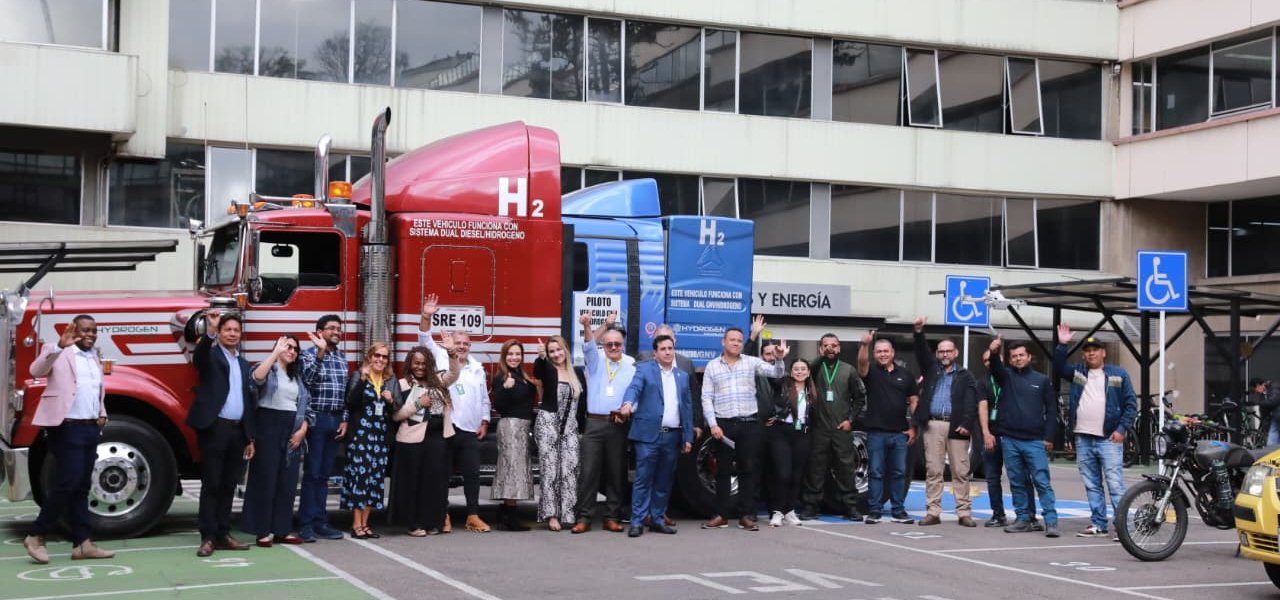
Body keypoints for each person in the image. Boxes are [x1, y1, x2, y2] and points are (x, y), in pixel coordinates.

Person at [23, 315, 113, 564]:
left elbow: (95, 389)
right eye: (85, 330)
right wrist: (60, 346)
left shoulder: (94, 356)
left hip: (89, 427)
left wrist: (101, 413)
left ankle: (83, 543)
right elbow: (35, 370)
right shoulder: (57, 350)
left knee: (82, 485)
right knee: (68, 481)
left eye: (94, 330)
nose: (90, 334)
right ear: (74, 329)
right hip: (66, 426)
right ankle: (36, 534)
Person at [1053, 325, 1137, 538]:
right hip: (1083, 438)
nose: (1091, 353)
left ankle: (1123, 528)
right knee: (1092, 485)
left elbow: (1130, 405)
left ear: (1103, 353)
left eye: (1096, 349)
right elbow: (1058, 367)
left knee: (1115, 484)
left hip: (1109, 438)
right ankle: (1098, 523)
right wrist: (1062, 344)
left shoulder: (1119, 374)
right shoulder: (1078, 373)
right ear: (1084, 354)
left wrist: (1121, 429)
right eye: (1088, 350)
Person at [701, 327, 788, 531]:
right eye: (732, 340)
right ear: (723, 342)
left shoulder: (751, 362)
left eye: (740, 340)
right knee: (722, 471)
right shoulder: (712, 366)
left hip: (749, 423)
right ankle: (721, 515)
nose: (736, 343)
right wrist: (713, 424)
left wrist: (780, 358)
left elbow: (776, 372)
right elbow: (706, 397)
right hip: (723, 425)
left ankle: (746, 516)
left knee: (748, 471)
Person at [188, 311, 257, 557]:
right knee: (212, 484)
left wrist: (250, 438)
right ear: (221, 332)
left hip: (237, 432)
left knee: (228, 485)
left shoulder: (244, 363)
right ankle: (207, 537)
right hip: (215, 428)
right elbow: (198, 359)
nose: (232, 334)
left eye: (236, 330)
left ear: (240, 335)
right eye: (227, 329)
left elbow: (249, 402)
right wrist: (210, 331)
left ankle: (223, 534)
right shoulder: (211, 355)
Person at [419, 295, 491, 533]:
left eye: (465, 344)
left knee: (472, 474)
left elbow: (483, 398)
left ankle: (473, 515)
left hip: (470, 429)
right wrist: (427, 316)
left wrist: (485, 419)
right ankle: (443, 514)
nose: (461, 346)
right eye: (458, 342)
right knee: (443, 475)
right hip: (447, 427)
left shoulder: (477, 367)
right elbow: (423, 338)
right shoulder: (440, 355)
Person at [621, 334, 694, 537]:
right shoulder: (644, 369)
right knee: (643, 479)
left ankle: (657, 519)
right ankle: (637, 521)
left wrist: (688, 436)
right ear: (655, 353)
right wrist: (627, 404)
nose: (668, 352)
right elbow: (634, 388)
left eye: (670, 348)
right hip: (647, 436)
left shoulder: (682, 376)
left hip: (672, 436)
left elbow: (687, 408)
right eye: (663, 349)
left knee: (664, 481)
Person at [241, 336, 310, 547]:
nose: (291, 351)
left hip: (292, 427)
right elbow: (255, 380)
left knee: (287, 481)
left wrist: (303, 429)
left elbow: (305, 404)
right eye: (287, 347)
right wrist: (274, 354)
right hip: (268, 424)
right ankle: (262, 531)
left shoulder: (296, 376)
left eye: (295, 349)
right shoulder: (268, 369)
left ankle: (282, 530)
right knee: (265, 479)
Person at [988, 337, 1059, 538]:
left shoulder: (1042, 380)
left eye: (1021, 355)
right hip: (1010, 439)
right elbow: (994, 368)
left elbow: (1052, 411)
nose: (1018, 359)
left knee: (1042, 481)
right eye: (1014, 357)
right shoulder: (1006, 376)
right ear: (1009, 360)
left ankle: (1051, 521)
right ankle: (1022, 519)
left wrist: (1049, 436)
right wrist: (994, 352)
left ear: (1029, 357)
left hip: (1035, 440)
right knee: (1016, 481)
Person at [911, 318, 979, 527]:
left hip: (957, 425)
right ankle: (933, 512)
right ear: (937, 354)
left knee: (960, 470)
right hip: (933, 425)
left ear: (956, 353)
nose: (944, 355)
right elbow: (921, 352)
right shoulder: (931, 370)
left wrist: (967, 423)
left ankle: (964, 512)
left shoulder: (965, 375)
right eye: (941, 351)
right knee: (934, 470)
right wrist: (919, 332)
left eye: (948, 351)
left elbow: (971, 401)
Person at [572, 311, 635, 534]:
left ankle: (612, 516)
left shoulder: (631, 364)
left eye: (617, 344)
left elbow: (635, 393)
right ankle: (584, 517)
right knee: (588, 472)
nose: (614, 348)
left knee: (616, 472)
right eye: (609, 344)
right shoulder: (596, 359)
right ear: (604, 345)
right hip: (594, 424)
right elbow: (589, 343)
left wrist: (629, 410)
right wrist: (588, 325)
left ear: (623, 344)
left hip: (618, 423)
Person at [390, 344, 462, 536]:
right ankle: (414, 524)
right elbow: (396, 416)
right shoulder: (402, 384)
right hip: (412, 438)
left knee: (434, 481)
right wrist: (417, 404)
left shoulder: (438, 380)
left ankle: (432, 522)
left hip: (438, 437)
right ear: (410, 364)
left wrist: (452, 353)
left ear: (430, 364)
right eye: (416, 363)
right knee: (414, 482)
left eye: (423, 363)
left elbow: (454, 374)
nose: (420, 367)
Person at [798, 333, 866, 522]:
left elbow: (860, 398)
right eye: (826, 346)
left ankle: (851, 507)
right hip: (819, 428)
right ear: (820, 349)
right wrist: (821, 355)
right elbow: (807, 369)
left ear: (840, 348)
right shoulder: (814, 368)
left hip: (841, 428)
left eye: (834, 346)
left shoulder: (848, 370)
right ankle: (811, 506)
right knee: (816, 469)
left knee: (845, 468)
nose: (830, 349)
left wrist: (850, 420)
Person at [856, 332, 918, 525]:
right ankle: (875, 510)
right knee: (876, 473)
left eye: (886, 351)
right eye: (879, 351)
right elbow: (861, 364)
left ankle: (898, 510)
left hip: (900, 433)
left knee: (899, 473)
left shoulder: (906, 376)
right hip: (876, 433)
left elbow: (914, 401)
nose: (882, 354)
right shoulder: (871, 373)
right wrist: (864, 345)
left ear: (893, 353)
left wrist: (914, 427)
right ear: (874, 354)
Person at [341, 342, 401, 539]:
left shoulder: (390, 380)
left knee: (374, 481)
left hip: (380, 437)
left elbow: (396, 409)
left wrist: (391, 400)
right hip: (361, 436)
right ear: (369, 357)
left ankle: (366, 524)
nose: (380, 360)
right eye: (377, 355)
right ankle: (356, 524)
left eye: (384, 357)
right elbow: (350, 401)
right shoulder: (360, 376)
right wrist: (363, 379)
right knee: (360, 479)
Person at [298, 314, 349, 542]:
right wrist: (319, 354)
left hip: (335, 421)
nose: (336, 332)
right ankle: (306, 524)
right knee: (312, 474)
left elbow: (345, 392)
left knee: (325, 475)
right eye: (331, 328)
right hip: (316, 420)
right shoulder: (307, 355)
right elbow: (306, 381)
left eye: (339, 328)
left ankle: (321, 522)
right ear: (319, 331)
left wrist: (345, 419)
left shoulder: (342, 358)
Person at [977, 350, 1039, 529]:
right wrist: (986, 433)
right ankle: (998, 514)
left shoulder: (1012, 378)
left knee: (1022, 477)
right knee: (992, 477)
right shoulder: (982, 382)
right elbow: (982, 407)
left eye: (992, 359)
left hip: (1013, 435)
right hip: (993, 435)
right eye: (985, 360)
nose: (989, 362)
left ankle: (1030, 515)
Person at [531, 335, 586, 532]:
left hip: (570, 425)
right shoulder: (548, 369)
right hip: (548, 423)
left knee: (570, 468)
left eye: (558, 350)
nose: (556, 354)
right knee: (551, 470)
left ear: (565, 350)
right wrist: (540, 357)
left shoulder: (576, 372)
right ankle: (552, 515)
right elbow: (537, 371)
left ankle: (568, 512)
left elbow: (581, 404)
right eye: (551, 351)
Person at [490, 340, 537, 532]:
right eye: (510, 354)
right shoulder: (502, 377)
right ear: (504, 356)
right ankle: (509, 516)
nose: (514, 357)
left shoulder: (522, 375)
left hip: (522, 426)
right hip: (510, 425)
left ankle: (506, 513)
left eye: (518, 354)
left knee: (517, 469)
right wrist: (505, 388)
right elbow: (499, 405)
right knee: (511, 470)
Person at [767, 359, 817, 527]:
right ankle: (777, 511)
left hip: (802, 433)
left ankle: (789, 510)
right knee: (783, 474)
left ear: (809, 372)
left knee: (797, 476)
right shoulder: (783, 385)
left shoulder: (812, 391)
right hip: (781, 432)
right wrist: (780, 359)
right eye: (796, 369)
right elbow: (774, 377)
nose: (800, 372)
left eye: (803, 369)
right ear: (791, 371)